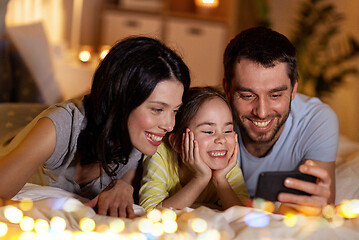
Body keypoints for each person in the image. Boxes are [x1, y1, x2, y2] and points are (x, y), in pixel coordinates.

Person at [0, 36, 190, 218]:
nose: (169, 125)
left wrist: (124, 186)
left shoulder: (140, 142)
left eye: (175, 111)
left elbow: (126, 182)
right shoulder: (59, 128)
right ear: (121, 100)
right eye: (157, 109)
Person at [222, 26, 339, 209]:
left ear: (293, 90)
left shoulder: (317, 120)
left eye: (275, 95)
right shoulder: (209, 113)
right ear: (227, 89)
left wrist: (319, 204)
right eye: (247, 95)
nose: (261, 112)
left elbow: (320, 202)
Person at [139, 87, 249, 212]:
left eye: (228, 131)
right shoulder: (160, 153)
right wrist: (201, 178)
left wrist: (220, 180)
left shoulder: (226, 162)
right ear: (177, 143)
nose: (222, 139)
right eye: (208, 131)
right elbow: (149, 214)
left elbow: (244, 215)